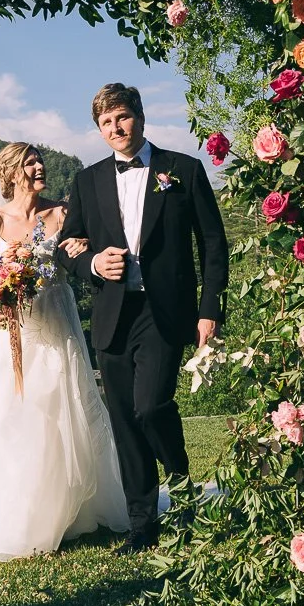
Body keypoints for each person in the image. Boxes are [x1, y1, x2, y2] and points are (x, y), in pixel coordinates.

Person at [0, 142, 129, 560]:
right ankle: (16, 514)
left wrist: (85, 255)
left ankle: (71, 512)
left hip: (56, 326)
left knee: (61, 410)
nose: (40, 166)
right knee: (6, 417)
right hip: (9, 333)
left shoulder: (61, 213)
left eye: (39, 160)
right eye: (30, 162)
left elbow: (81, 255)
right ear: (10, 173)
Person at [59, 84, 229, 552]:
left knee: (151, 406)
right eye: (106, 123)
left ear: (140, 115)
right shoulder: (86, 181)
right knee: (124, 422)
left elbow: (213, 245)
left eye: (122, 117)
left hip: (165, 312)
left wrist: (209, 310)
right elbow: (68, 245)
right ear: (99, 129)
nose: (116, 129)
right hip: (113, 314)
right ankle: (142, 523)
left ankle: (184, 487)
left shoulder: (185, 170)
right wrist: (92, 263)